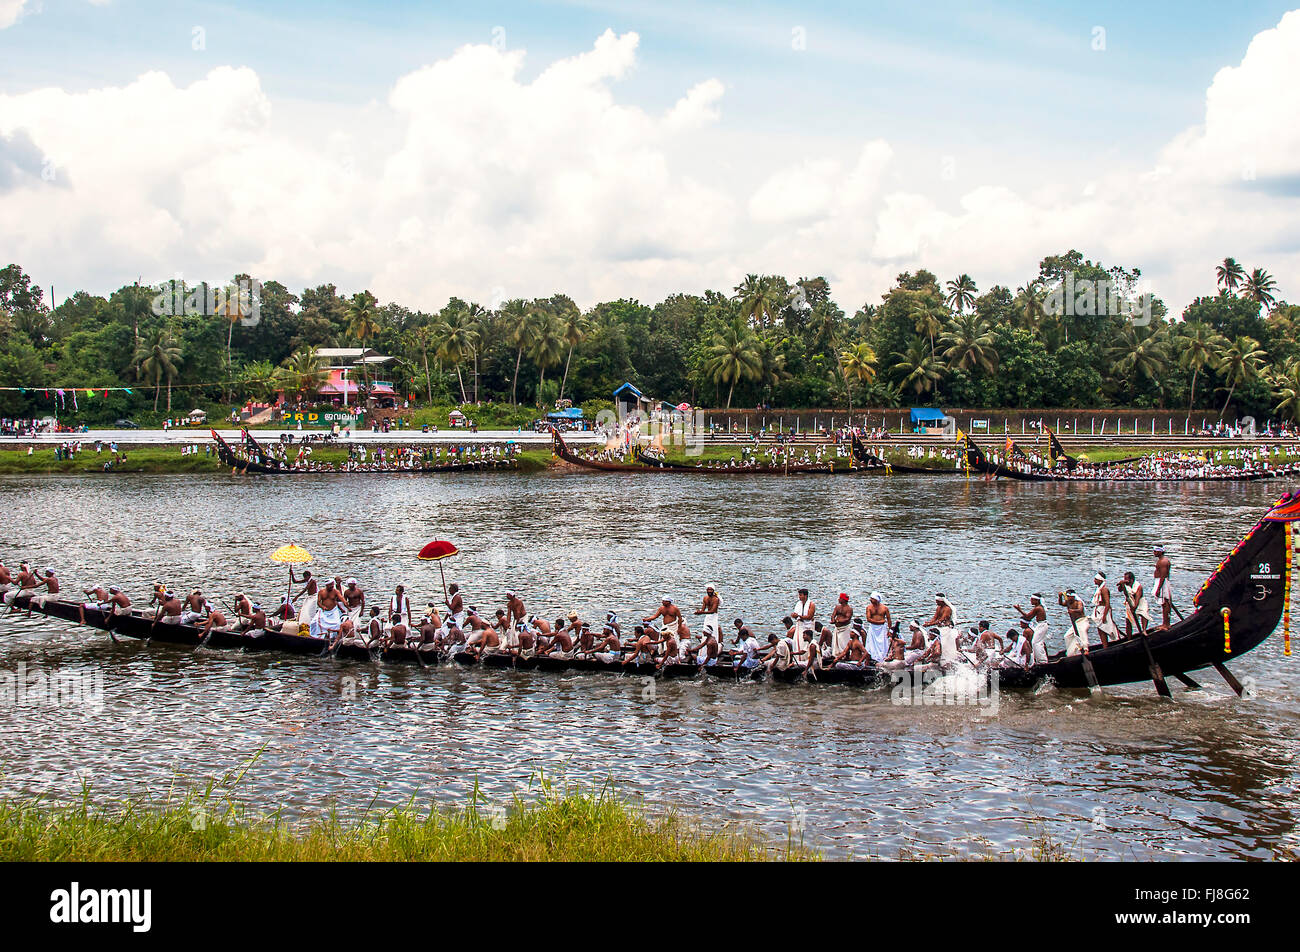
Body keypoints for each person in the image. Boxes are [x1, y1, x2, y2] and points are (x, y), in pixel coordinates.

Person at [1118, 572, 1150, 638]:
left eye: (1126, 579)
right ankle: (1129, 638)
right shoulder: (1125, 585)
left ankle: (1144, 630)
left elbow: (1137, 599)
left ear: (1131, 580)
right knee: (1128, 620)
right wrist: (1121, 584)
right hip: (1130, 602)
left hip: (1140, 602)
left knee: (1144, 614)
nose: (1125, 580)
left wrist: (1134, 608)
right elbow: (1119, 590)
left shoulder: (1138, 586)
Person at [1091, 572, 1118, 647]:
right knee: (1100, 629)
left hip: (1103, 610)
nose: (1094, 580)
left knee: (1105, 629)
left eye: (1096, 579)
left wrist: (1104, 616)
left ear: (1100, 580)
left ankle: (1106, 646)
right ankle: (1104, 645)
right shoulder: (1099, 589)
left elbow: (1107, 603)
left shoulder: (1104, 590)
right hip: (1099, 610)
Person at [1059, 589, 1088, 655]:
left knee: (1082, 632)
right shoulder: (1068, 603)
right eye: (1067, 597)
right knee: (1067, 636)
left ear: (1073, 596)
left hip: (1082, 621)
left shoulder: (1078, 602)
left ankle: (1086, 649)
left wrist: (1073, 611)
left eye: (1069, 596)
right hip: (1075, 623)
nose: (1068, 598)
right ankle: (1073, 651)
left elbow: (1080, 610)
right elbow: (1061, 603)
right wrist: (1060, 596)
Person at [864, 592, 891, 660]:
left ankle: (882, 657)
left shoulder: (884, 608)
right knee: (871, 644)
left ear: (876, 600)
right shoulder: (869, 607)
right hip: (873, 628)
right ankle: (872, 657)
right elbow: (868, 619)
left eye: (872, 599)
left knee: (882, 644)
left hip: (882, 628)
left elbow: (889, 620)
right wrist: (879, 622)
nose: (870, 600)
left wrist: (889, 630)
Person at [1153, 545, 1173, 630]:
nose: (1154, 553)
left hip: (1162, 583)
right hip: (1161, 582)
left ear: (1160, 551)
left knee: (1165, 603)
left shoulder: (1163, 562)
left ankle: (1166, 624)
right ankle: (1165, 623)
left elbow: (1163, 576)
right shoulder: (1161, 561)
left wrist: (1158, 588)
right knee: (1164, 603)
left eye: (1155, 551)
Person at [791, 588, 815, 655]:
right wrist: (794, 615)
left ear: (805, 596)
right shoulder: (799, 604)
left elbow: (809, 617)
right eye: (799, 595)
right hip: (800, 625)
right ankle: (797, 657)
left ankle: (807, 658)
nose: (799, 597)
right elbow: (796, 614)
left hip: (807, 626)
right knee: (797, 641)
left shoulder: (811, 604)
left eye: (801, 595)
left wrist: (799, 616)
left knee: (805, 643)